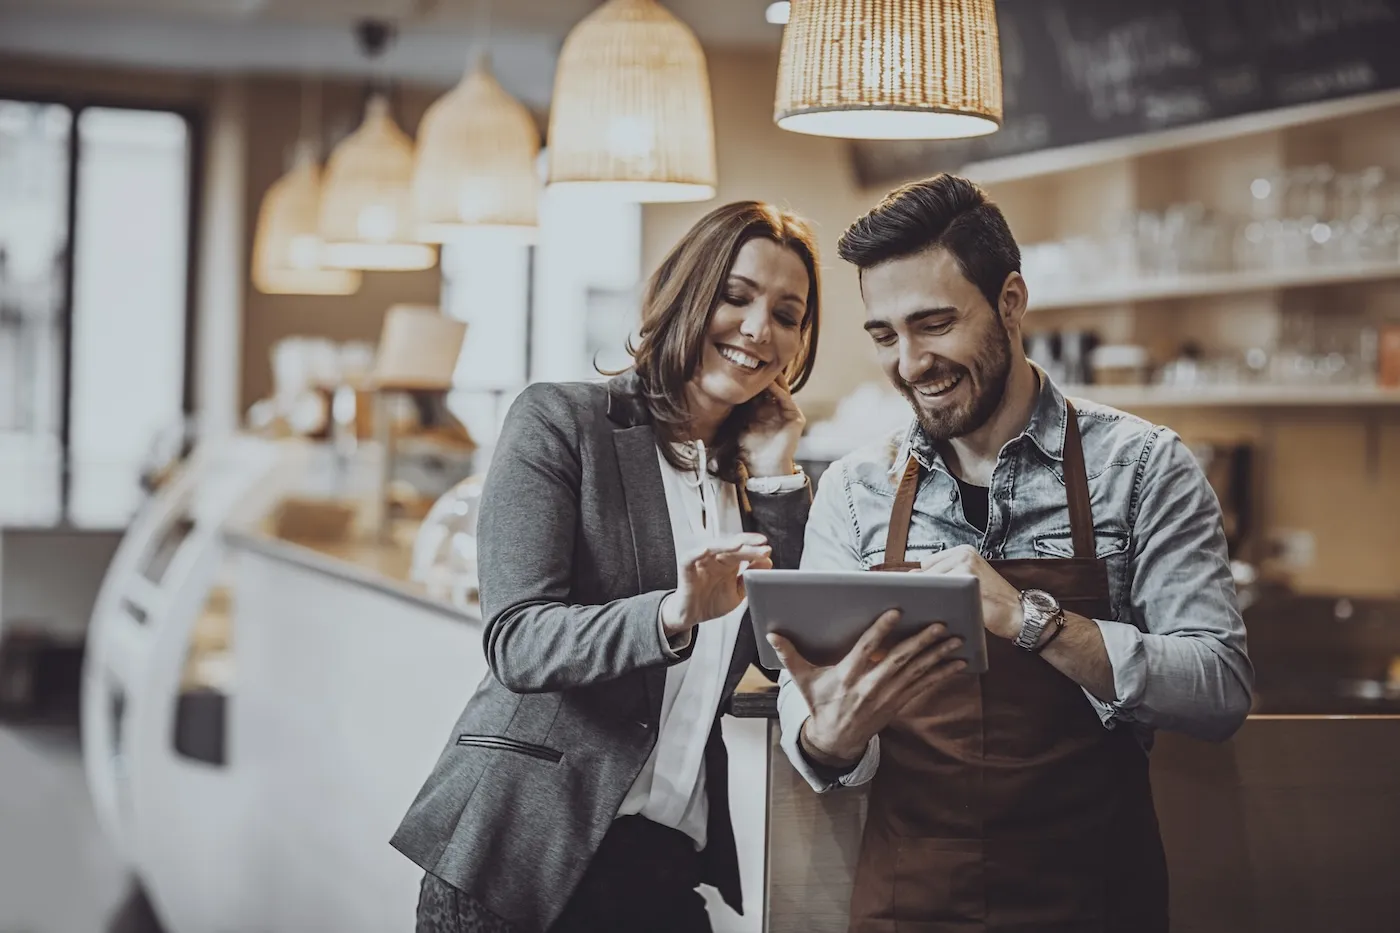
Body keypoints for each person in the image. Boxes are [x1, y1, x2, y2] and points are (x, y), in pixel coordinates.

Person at [768, 174, 1253, 932]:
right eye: (886, 335)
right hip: (909, 903)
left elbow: (1218, 689)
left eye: (934, 324)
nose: (910, 362)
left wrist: (1033, 619)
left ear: (1012, 301)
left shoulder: (1143, 467)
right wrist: (824, 736)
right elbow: (817, 709)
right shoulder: (855, 490)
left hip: (1093, 901)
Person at [392, 201, 822, 933]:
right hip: (521, 858)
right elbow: (519, 639)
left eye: (788, 313)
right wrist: (671, 614)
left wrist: (778, 472)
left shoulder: (756, 481)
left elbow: (788, 655)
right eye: (737, 296)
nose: (760, 330)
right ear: (688, 292)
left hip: (664, 865)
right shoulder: (563, 422)